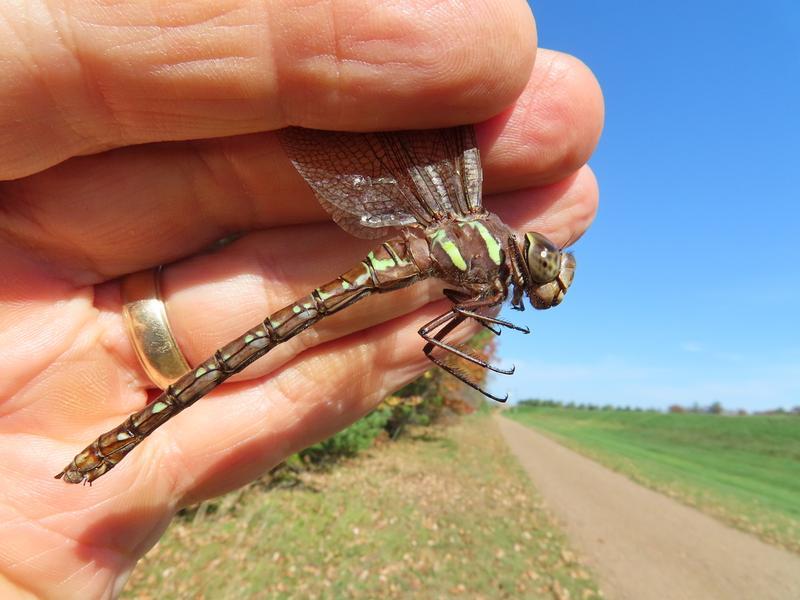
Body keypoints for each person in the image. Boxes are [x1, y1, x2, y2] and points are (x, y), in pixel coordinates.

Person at [0, 1, 603, 597]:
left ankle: (112, 446)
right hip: (391, 260)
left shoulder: (483, 252)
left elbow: (443, 325)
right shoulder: (485, 249)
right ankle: (117, 442)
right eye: (547, 266)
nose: (544, 273)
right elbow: (438, 334)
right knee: (259, 348)